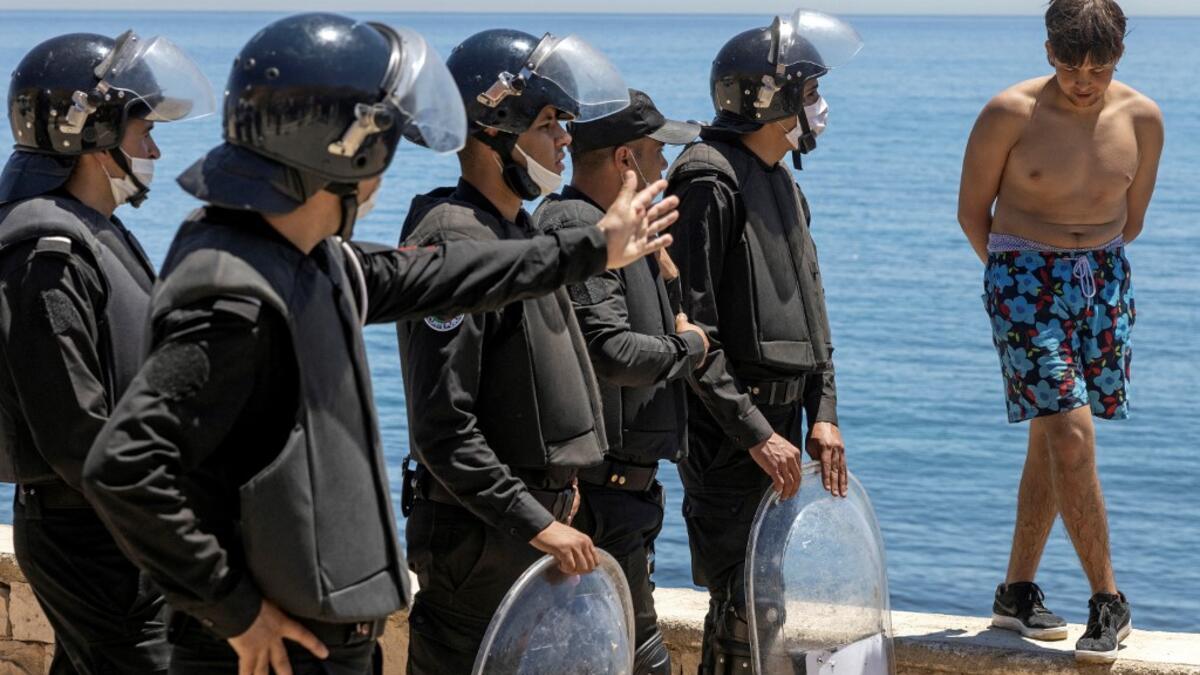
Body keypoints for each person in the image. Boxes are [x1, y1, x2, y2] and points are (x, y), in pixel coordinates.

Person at [79, 14, 674, 675]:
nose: (385, 168)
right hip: (282, 648)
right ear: (345, 148)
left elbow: (444, 272)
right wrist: (233, 609)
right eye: (383, 141)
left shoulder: (308, 258)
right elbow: (125, 466)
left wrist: (593, 248)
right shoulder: (235, 291)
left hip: (328, 639)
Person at [396, 29, 677, 675]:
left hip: (531, 526)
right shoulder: (454, 239)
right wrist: (534, 520)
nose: (566, 140)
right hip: (483, 540)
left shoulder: (515, 232)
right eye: (550, 122)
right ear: (498, 126)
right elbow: (444, 425)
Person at [0, 29, 215, 674]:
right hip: (92, 537)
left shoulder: (93, 231)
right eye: (140, 130)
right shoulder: (46, 251)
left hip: (115, 528)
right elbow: (73, 429)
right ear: (89, 134)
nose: (152, 149)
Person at [958, 0, 1162, 663]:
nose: (1083, 80)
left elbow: (1131, 221)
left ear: (1118, 59)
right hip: (1021, 277)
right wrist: (1019, 285)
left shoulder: (1142, 118)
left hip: (1103, 279)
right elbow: (972, 213)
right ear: (1048, 51)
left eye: (1097, 68)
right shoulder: (1007, 113)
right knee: (1072, 430)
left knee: (1053, 432)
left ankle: (1015, 592)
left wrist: (1083, 265)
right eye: (1070, 64)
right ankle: (1109, 599)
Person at [664, 10, 861, 673]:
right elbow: (691, 331)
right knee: (741, 609)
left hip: (778, 425)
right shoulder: (707, 177)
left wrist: (823, 413)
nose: (818, 107)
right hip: (730, 435)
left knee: (769, 600)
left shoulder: (783, 184)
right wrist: (754, 431)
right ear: (768, 100)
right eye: (807, 93)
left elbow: (812, 307)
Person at [530, 88, 704, 675]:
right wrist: (689, 346)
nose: (666, 167)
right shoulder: (576, 224)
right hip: (597, 498)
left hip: (622, 496)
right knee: (632, 659)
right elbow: (612, 351)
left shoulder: (608, 234)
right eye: (657, 153)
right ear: (626, 160)